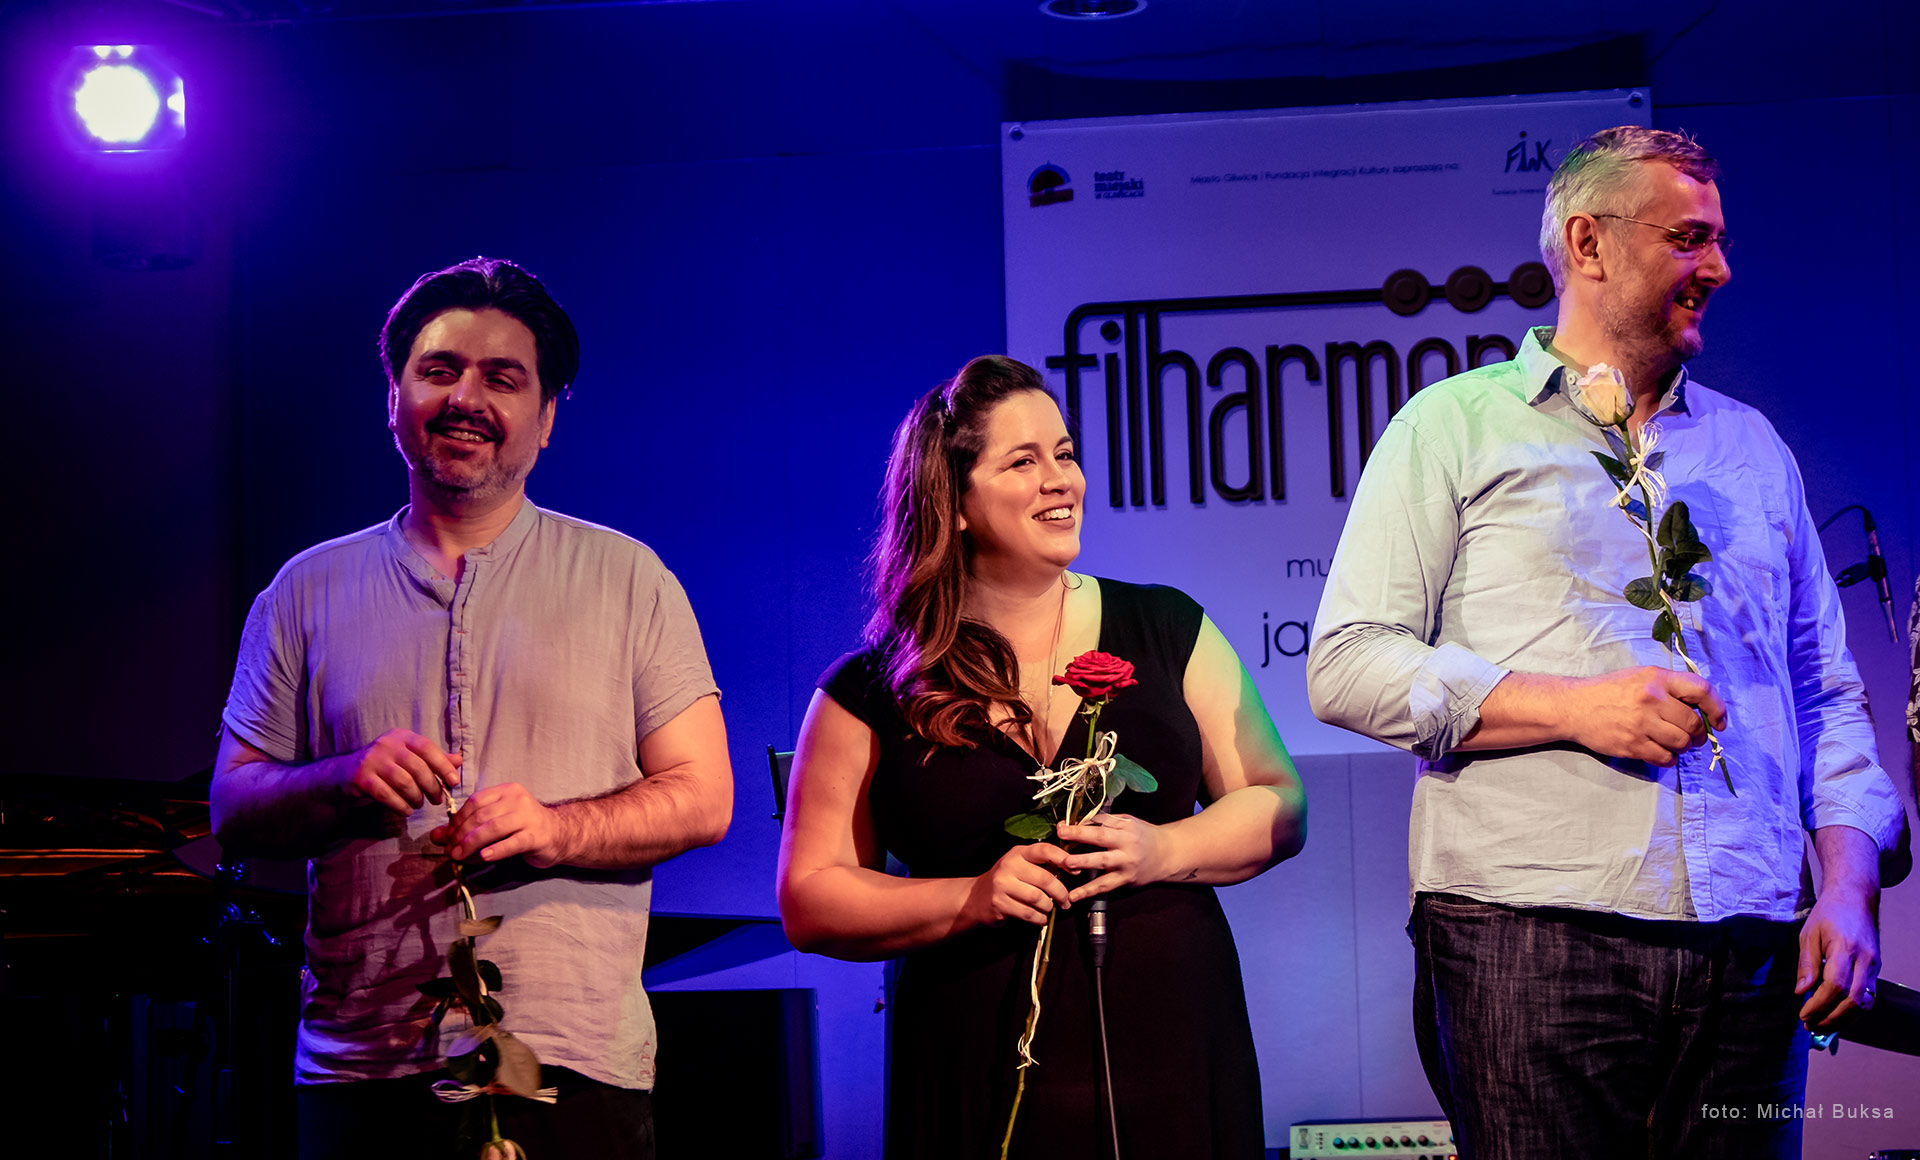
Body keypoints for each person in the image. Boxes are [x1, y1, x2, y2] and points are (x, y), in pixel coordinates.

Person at [1306, 126, 1910, 1159]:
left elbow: (1825, 695)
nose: (1719, 268)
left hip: (1753, 948)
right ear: (1588, 244)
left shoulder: (1752, 449)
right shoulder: (1452, 427)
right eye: (1688, 238)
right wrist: (1576, 707)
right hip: (1529, 934)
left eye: (1718, 239)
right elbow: (1349, 662)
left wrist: (1848, 889)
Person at [210, 257, 732, 1160]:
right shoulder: (303, 590)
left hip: (571, 1060)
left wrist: (557, 829)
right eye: (439, 370)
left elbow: (704, 797)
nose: (465, 399)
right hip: (362, 1068)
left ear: (547, 417)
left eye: (503, 378)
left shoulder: (630, 579)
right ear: (395, 396)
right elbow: (232, 806)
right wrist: (342, 778)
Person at [776, 354, 1307, 1159]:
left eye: (1064, 453)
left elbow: (1278, 802)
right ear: (953, 501)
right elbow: (811, 897)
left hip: (1169, 1049)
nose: (1062, 480)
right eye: (1023, 461)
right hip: (977, 1065)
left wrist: (1165, 849)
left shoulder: (1167, 626)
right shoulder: (870, 689)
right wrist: (971, 897)